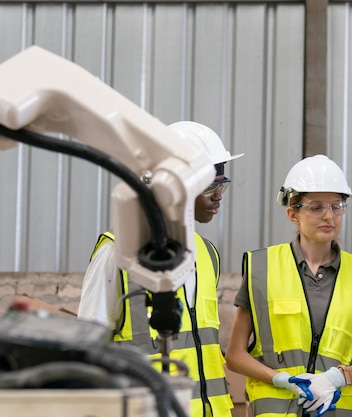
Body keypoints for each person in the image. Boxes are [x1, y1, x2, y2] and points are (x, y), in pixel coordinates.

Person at [77, 120, 244, 417]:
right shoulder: (118, 252)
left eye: (222, 185)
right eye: (210, 186)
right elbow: (86, 350)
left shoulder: (207, 254)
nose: (218, 196)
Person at [225, 155, 352, 417]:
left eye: (336, 206)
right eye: (315, 207)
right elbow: (234, 355)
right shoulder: (261, 268)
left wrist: (337, 378)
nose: (329, 216)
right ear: (292, 214)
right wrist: (280, 379)